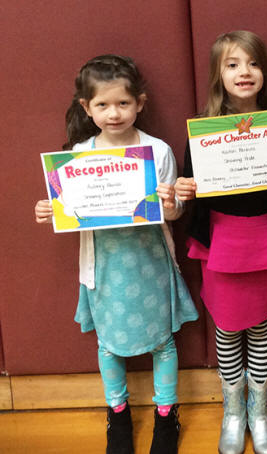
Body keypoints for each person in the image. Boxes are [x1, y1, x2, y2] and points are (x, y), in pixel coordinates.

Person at [34, 55, 198, 454]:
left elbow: (172, 215)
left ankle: (165, 415)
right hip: (104, 266)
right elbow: (70, 212)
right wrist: (50, 210)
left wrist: (173, 200)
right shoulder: (77, 156)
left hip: (151, 262)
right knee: (107, 344)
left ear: (140, 103)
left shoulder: (156, 151)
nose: (114, 113)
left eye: (123, 103)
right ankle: (118, 414)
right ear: (85, 108)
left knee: (163, 342)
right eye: (103, 105)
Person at [174, 30, 267, 454]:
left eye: (253, 63)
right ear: (218, 75)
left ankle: (259, 409)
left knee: (260, 325)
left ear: (264, 73)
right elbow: (192, 200)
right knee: (226, 327)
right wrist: (186, 190)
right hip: (221, 241)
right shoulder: (202, 132)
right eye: (233, 64)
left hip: (266, 239)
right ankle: (233, 410)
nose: (244, 72)